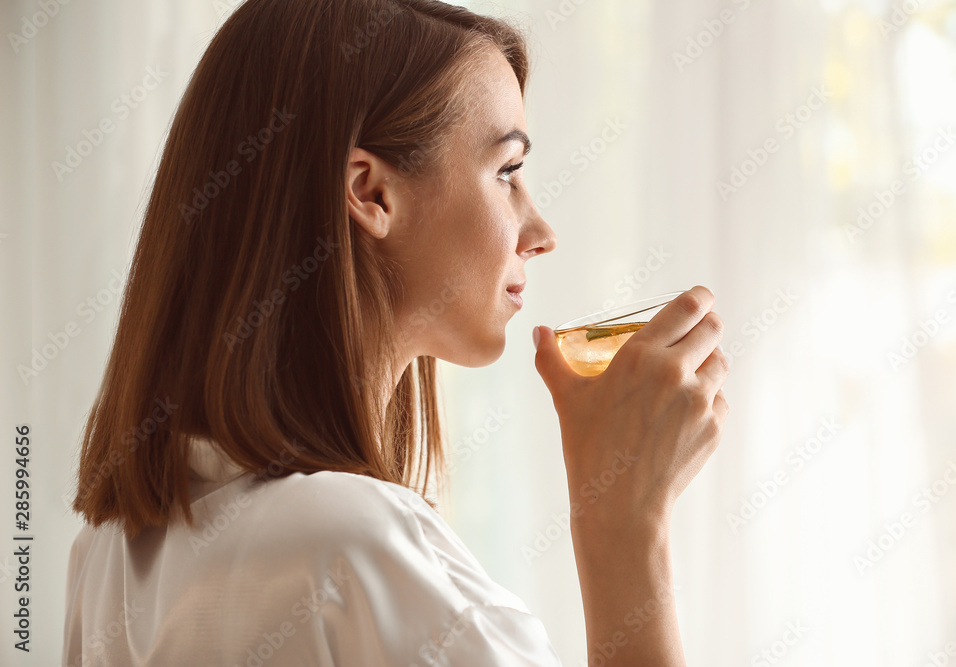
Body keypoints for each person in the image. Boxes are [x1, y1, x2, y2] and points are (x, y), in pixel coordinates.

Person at [62, 0, 729, 665]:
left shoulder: (106, 553)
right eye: (507, 173)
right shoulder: (357, 546)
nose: (540, 234)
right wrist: (624, 523)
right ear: (370, 193)